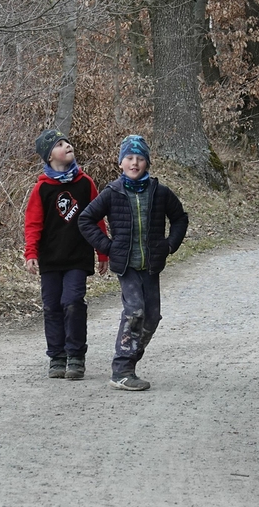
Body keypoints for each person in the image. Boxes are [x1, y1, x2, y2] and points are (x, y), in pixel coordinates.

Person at [78, 134, 188, 391]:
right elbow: (85, 219)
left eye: (140, 158)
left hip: (151, 265)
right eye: (129, 158)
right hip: (126, 266)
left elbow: (180, 218)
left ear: (147, 163)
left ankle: (130, 362)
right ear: (120, 163)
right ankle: (122, 369)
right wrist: (107, 246)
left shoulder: (160, 192)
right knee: (134, 310)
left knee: (152, 317)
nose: (134, 163)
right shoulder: (112, 192)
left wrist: (169, 245)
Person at [24, 129, 108, 380]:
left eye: (67, 142)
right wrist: (31, 252)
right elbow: (33, 224)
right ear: (49, 157)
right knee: (51, 307)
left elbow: (97, 219)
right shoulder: (42, 189)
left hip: (77, 258)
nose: (67, 146)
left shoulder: (85, 183)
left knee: (72, 302)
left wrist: (102, 251)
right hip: (50, 258)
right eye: (60, 145)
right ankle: (57, 357)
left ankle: (76, 356)